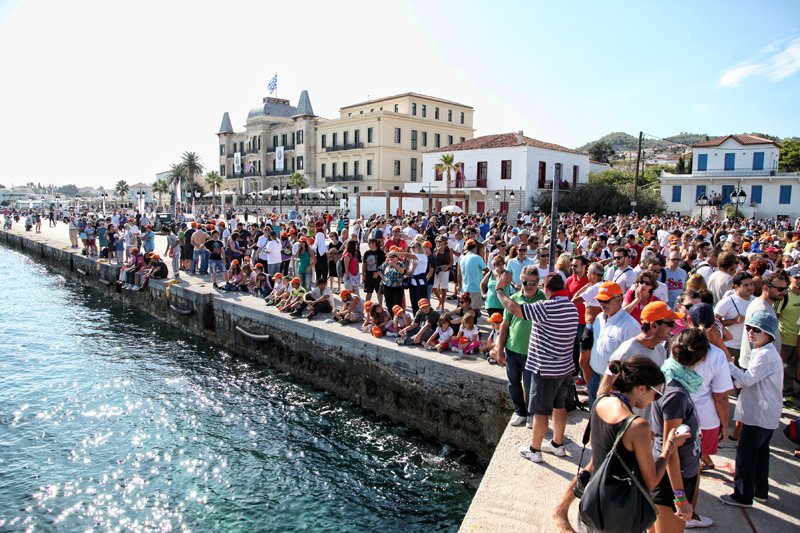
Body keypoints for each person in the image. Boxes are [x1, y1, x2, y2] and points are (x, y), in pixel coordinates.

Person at [495, 272, 578, 463]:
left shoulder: (546, 307)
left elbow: (514, 308)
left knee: (540, 411)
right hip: (564, 368)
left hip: (545, 369)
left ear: (547, 289)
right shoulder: (572, 308)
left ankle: (535, 450)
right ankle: (557, 445)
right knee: (559, 407)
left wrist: (500, 290)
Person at [721, 311, 784, 508]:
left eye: (757, 330)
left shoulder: (765, 355)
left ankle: (742, 495)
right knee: (760, 454)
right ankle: (760, 491)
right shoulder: (764, 352)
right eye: (749, 328)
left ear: (769, 335)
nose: (751, 333)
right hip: (765, 414)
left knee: (746, 455)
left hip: (758, 414)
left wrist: (730, 365)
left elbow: (746, 380)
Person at [651, 328, 706, 533]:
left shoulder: (668, 374)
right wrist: (680, 497)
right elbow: (670, 448)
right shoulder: (676, 393)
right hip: (672, 479)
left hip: (676, 474)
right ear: (701, 358)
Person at [492, 266, 544, 426]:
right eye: (525, 282)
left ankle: (530, 413)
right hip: (512, 349)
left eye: (533, 282)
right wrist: (499, 350)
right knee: (513, 383)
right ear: (520, 281)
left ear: (538, 282)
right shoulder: (513, 298)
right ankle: (519, 411)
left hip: (532, 352)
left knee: (530, 385)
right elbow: (504, 326)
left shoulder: (543, 299)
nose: (529, 286)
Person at [588, 282, 641, 407]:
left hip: (614, 382)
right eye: (600, 300)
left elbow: (632, 362)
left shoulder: (630, 326)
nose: (602, 304)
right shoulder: (599, 318)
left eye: (606, 301)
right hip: (595, 377)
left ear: (619, 300)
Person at [714, 271, 754, 365]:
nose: (750, 287)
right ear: (736, 286)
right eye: (746, 285)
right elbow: (714, 322)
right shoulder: (727, 302)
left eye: (751, 284)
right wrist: (733, 321)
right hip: (730, 346)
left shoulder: (755, 300)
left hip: (749, 347)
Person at [459, 239, 488, 316]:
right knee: (474, 312)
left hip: (465, 289)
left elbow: (459, 274)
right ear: (475, 247)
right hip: (475, 289)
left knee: (466, 310)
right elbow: (487, 270)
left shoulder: (462, 258)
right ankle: (472, 327)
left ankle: (468, 326)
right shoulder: (477, 257)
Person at [362, 238, 385, 306]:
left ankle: (380, 306)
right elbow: (364, 264)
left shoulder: (381, 253)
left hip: (378, 276)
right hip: (368, 276)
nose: (368, 244)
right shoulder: (367, 253)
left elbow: (384, 265)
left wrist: (378, 273)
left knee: (379, 292)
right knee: (368, 292)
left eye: (369, 243)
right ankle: (366, 306)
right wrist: (363, 274)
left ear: (374, 243)